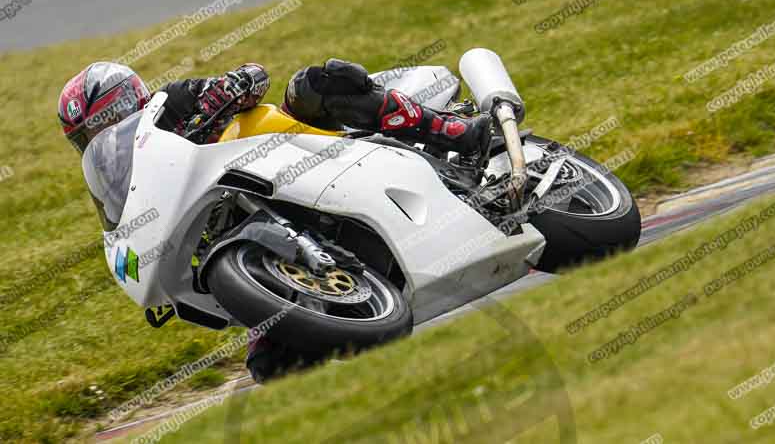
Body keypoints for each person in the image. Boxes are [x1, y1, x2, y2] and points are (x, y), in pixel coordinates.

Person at [58, 59, 491, 382]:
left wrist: (226, 91)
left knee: (312, 84)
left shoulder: (171, 104)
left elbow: (254, 74)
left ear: (128, 99)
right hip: (263, 233)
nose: (99, 133)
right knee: (269, 367)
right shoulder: (122, 176)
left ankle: (451, 131)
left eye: (104, 118)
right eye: (85, 134)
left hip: (296, 152)